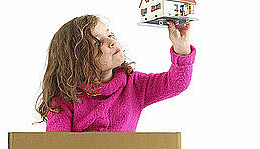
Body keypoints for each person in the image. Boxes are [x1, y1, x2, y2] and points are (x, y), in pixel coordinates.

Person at [34, 14, 196, 132]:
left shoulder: (134, 84)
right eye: (98, 42)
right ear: (77, 60)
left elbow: (176, 84)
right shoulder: (64, 99)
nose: (112, 42)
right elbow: (55, 148)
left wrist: (181, 48)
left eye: (109, 35)